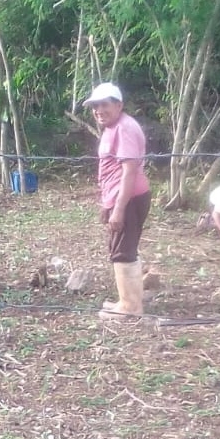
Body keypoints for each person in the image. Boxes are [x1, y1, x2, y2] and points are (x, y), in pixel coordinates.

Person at [84, 82, 151, 321]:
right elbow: (111, 169)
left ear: (119, 105)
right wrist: (107, 204)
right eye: (95, 106)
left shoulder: (124, 128)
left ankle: (131, 308)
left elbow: (129, 172)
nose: (98, 110)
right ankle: (127, 300)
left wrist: (119, 210)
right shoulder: (113, 128)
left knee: (123, 251)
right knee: (121, 247)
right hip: (122, 197)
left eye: (104, 104)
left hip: (130, 198)